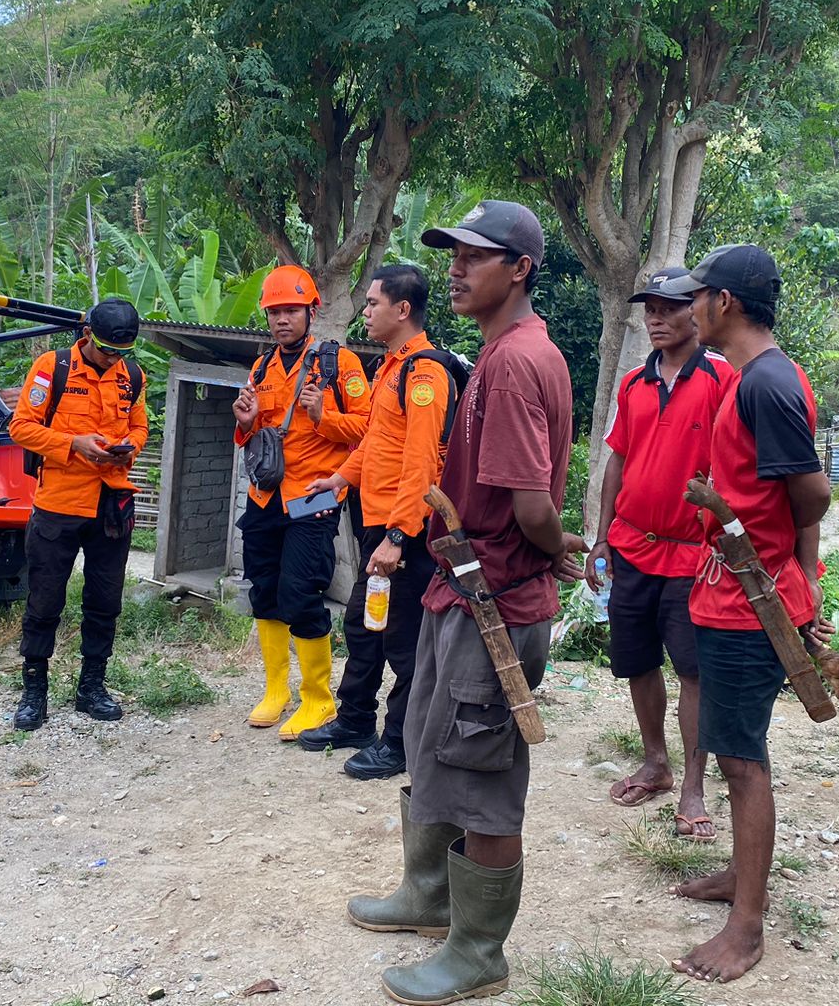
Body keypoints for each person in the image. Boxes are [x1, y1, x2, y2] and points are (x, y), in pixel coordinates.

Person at [347, 201, 586, 1005]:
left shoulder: (515, 362)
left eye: (475, 255)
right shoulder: (502, 351)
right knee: (433, 738)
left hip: (498, 601)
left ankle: (479, 952)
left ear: (519, 268)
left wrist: (552, 546)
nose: (455, 268)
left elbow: (530, 504)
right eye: (452, 253)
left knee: (482, 775)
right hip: (464, 590)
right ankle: (429, 896)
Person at [655, 245, 832, 984]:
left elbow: (813, 494)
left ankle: (747, 926)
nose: (688, 308)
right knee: (734, 748)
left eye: (696, 296)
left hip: (750, 601)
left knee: (741, 760)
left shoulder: (767, 383)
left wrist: (782, 563)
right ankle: (739, 875)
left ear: (723, 302)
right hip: (727, 590)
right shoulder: (746, 377)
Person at [586, 268, 736, 842]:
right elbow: (618, 460)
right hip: (632, 547)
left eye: (669, 307)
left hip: (692, 554)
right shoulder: (633, 383)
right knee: (637, 661)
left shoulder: (723, 378)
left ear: (695, 310)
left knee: (693, 671)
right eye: (649, 308)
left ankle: (694, 787)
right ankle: (656, 763)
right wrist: (602, 536)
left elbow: (736, 466)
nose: (656, 318)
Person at [302, 264, 452, 780]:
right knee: (364, 627)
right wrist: (339, 478)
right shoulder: (390, 367)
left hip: (403, 532)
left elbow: (421, 462)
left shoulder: (425, 373)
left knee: (404, 642)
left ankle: (400, 743)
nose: (364, 312)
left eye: (372, 303)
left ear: (402, 309)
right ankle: (355, 721)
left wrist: (398, 536)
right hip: (377, 523)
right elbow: (375, 443)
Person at [232, 265, 370, 739]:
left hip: (313, 498)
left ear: (312, 311)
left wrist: (322, 415)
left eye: (291, 310)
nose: (281, 320)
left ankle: (318, 699)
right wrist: (245, 421)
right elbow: (256, 435)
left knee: (300, 594)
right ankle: (277, 691)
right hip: (264, 497)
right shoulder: (261, 367)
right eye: (274, 312)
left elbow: (369, 429)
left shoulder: (339, 364)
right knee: (264, 591)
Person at [9, 298, 149, 729]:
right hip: (59, 504)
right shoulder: (53, 368)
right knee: (44, 600)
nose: (113, 359)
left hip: (112, 503)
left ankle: (92, 686)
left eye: (122, 352)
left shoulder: (132, 376)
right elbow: (21, 427)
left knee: (105, 600)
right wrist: (73, 444)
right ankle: (34, 690)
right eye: (107, 350)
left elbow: (140, 426)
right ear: (88, 334)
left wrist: (129, 448)